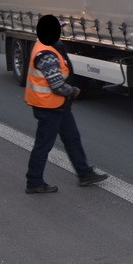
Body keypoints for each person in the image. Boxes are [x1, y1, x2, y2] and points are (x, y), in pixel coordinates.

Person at [24, 15, 109, 194]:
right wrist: (73, 90)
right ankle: (34, 182)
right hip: (49, 106)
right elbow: (56, 85)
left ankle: (84, 173)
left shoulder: (48, 46)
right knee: (44, 145)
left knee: (72, 138)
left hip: (57, 106)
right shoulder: (47, 54)